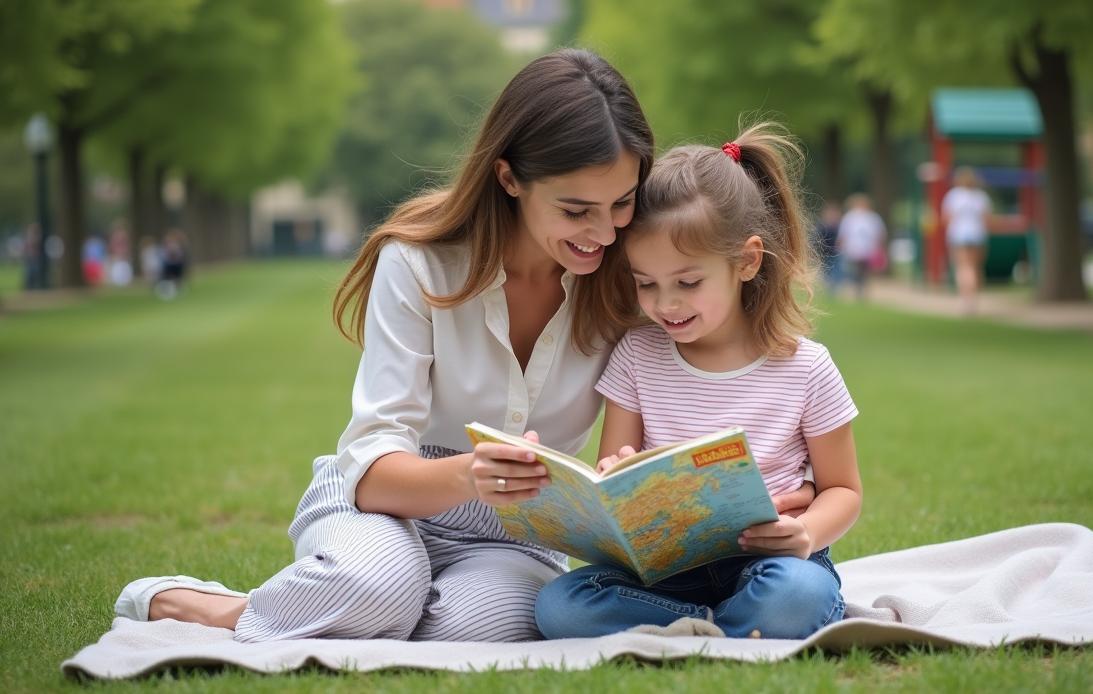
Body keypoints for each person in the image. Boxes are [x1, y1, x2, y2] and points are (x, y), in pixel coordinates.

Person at [113, 51, 819, 643]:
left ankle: (331, 615)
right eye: (576, 210)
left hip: (517, 528)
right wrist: (468, 476)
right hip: (387, 495)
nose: (603, 233)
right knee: (375, 587)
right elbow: (373, 455)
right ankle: (215, 607)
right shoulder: (420, 264)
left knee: (476, 632)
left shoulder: (628, 282)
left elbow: (706, 352)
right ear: (509, 177)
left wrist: (775, 485)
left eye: (622, 203)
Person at [535, 125, 862, 641]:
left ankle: (691, 630)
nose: (666, 304)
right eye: (646, 284)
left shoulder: (807, 368)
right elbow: (613, 469)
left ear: (747, 261)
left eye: (688, 283)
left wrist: (807, 534)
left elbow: (843, 489)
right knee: (560, 605)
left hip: (769, 563)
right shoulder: (639, 355)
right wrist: (615, 473)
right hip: (663, 574)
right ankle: (720, 630)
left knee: (799, 594)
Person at [942, 167, 992, 314]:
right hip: (977, 235)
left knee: (963, 267)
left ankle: (966, 299)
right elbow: (986, 219)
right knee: (975, 267)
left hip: (959, 235)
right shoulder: (981, 197)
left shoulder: (953, 196)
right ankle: (974, 298)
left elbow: (947, 218)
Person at [836, 193, 886, 300]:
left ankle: (861, 288)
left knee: (864, 271)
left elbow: (879, 234)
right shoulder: (850, 217)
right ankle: (858, 287)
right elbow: (844, 234)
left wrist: (878, 248)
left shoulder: (873, 217)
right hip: (853, 250)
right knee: (855, 271)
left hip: (868, 250)